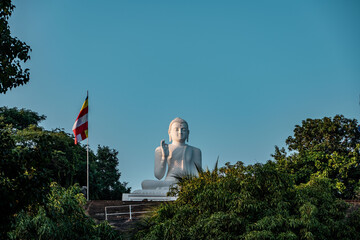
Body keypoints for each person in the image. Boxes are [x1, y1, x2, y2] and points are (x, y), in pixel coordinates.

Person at [141, 117, 202, 190]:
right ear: (169, 132)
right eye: (176, 129)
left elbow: (197, 175)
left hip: (188, 183)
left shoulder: (195, 151)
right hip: (169, 181)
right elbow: (158, 176)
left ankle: (173, 189)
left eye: (183, 129)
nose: (180, 132)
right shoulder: (161, 149)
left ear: (188, 133)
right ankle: (174, 188)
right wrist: (164, 157)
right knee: (145, 183)